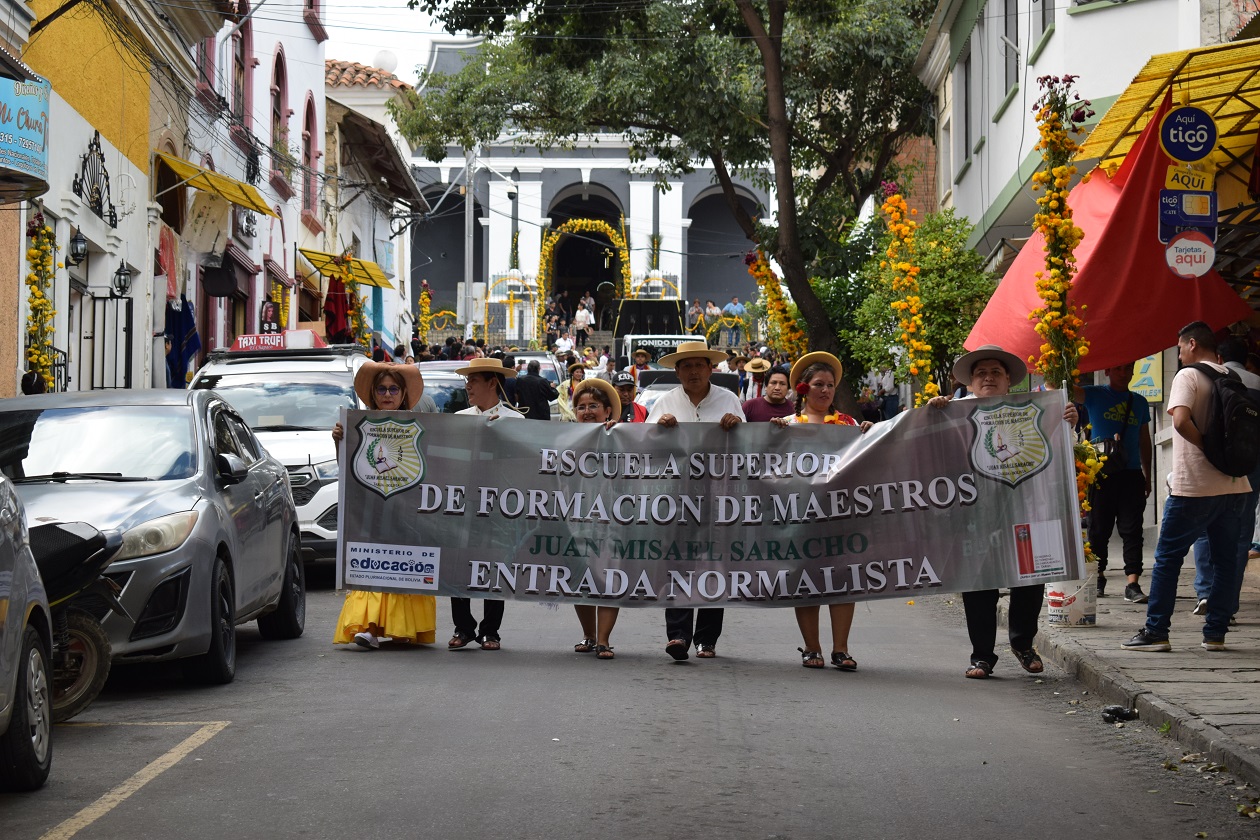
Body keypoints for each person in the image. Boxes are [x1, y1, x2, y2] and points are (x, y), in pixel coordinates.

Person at [926, 344, 1079, 678]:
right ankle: (982, 656)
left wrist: (1066, 422)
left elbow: (1061, 451)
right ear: (970, 382)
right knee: (979, 585)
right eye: (981, 373)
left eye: (996, 372)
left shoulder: (1033, 409)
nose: (988, 378)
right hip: (975, 516)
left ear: (1009, 380)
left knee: (1031, 579)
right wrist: (932, 413)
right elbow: (927, 448)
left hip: (1027, 511)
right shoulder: (953, 412)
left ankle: (1023, 644)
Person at [770, 353, 872, 670]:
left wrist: (871, 435)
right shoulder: (787, 426)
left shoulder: (849, 425)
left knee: (844, 577)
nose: (825, 390)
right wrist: (772, 437)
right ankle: (811, 648)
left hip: (841, 515)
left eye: (830, 385)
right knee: (806, 579)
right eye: (818, 384)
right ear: (803, 388)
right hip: (801, 516)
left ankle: (841, 649)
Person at [647, 341, 745, 659]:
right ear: (677, 371)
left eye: (699, 365)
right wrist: (659, 429)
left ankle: (706, 638)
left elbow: (748, 449)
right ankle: (678, 635)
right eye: (686, 366)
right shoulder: (665, 402)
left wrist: (737, 428)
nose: (693, 371)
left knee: (715, 563)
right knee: (678, 562)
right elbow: (643, 449)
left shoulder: (729, 400)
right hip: (677, 499)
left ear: (710, 368)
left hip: (720, 497)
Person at [331, 362, 436, 650]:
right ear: (373, 394)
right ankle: (370, 627)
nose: (387, 394)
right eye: (381, 389)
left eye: (393, 389)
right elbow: (347, 471)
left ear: (403, 394)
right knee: (372, 564)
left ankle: (401, 626)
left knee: (403, 564)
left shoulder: (420, 426)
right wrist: (340, 442)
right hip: (371, 511)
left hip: (409, 511)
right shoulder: (358, 425)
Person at [451, 357, 525, 649]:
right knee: (459, 562)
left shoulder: (515, 421)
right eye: (467, 381)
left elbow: (522, 465)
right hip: (463, 501)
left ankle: (490, 630)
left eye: (474, 380)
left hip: (499, 504)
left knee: (495, 564)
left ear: (492, 382)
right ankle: (463, 627)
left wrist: (503, 435)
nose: (468, 386)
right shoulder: (459, 418)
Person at [1187, 337, 1260, 623]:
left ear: (1219, 357)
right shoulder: (1257, 383)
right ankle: (1227, 601)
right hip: (1250, 466)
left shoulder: (1206, 377)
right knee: (1240, 534)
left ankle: (1206, 592)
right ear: (1247, 360)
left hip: (1214, 462)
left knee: (1205, 529)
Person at [1072, 362, 1153, 602]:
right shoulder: (1094, 394)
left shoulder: (1139, 402)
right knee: (1098, 529)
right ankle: (1098, 576)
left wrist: (1147, 476)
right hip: (1100, 474)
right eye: (1117, 369)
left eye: (1128, 369)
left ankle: (1132, 583)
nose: (1123, 373)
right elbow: (1064, 388)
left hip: (1131, 474)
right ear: (1107, 370)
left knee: (1132, 530)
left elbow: (1144, 440)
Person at [569, 378, 624, 659]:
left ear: (607, 411)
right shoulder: (565, 438)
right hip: (576, 520)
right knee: (580, 578)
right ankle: (588, 636)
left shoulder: (621, 437)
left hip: (613, 520)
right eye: (581, 407)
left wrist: (617, 436)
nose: (587, 411)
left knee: (609, 577)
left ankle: (604, 640)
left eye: (593, 406)